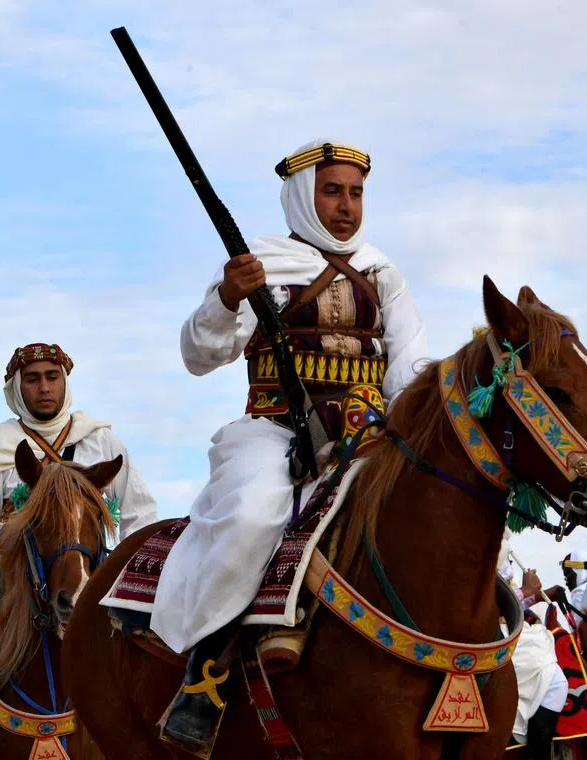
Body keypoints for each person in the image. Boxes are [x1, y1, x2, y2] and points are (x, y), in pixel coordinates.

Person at [152, 139, 428, 754]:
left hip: (365, 438)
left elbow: (409, 365)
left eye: (355, 193)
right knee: (252, 515)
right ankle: (206, 670)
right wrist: (227, 297)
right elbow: (200, 356)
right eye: (332, 191)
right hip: (276, 430)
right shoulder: (264, 266)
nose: (346, 207)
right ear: (304, 196)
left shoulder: (383, 272)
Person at [0, 343, 158, 760]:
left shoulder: (100, 440)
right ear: (17, 387)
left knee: (155, 632)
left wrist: (119, 569)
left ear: (65, 383)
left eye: (51, 377)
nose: (44, 387)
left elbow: (140, 511)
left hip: (92, 567)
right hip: (6, 570)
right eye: (33, 378)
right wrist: (19, 538)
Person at [497, 534, 567, 757]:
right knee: (556, 682)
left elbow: (509, 600)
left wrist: (534, 597)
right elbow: (492, 605)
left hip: (511, 627)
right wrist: (525, 591)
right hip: (495, 633)